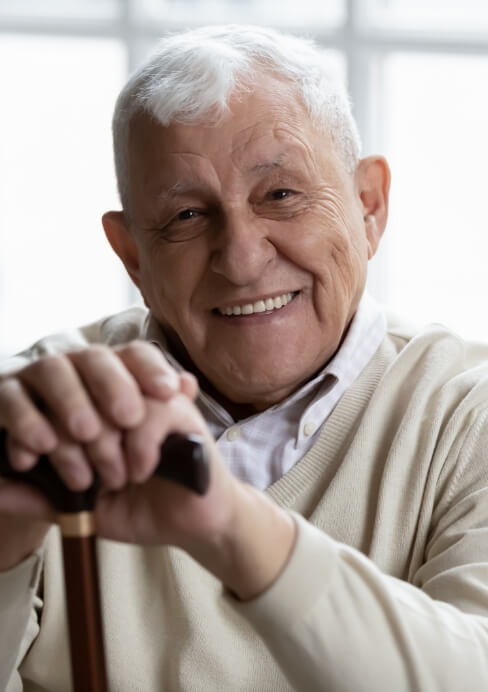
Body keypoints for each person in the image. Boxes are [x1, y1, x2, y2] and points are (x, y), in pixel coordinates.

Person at [1, 24, 488, 692]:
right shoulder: (45, 410)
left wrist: (230, 524)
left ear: (369, 207)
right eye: (188, 217)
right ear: (133, 255)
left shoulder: (468, 412)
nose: (242, 256)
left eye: (280, 195)